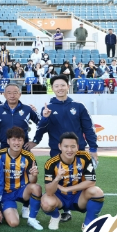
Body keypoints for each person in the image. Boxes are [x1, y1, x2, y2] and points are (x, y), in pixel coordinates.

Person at [31, 74, 98, 223]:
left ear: (68, 86)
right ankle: (62, 210)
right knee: (59, 179)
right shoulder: (48, 108)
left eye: (62, 85)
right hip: (57, 152)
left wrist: (93, 148)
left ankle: (77, 207)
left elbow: (88, 128)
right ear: (52, 88)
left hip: (78, 152)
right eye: (56, 86)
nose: (60, 88)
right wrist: (44, 118)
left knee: (79, 179)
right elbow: (41, 129)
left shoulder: (78, 106)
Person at [41, 132, 105, 231]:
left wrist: (67, 189)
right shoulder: (51, 163)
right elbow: (49, 192)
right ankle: (55, 216)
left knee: (97, 192)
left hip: (78, 197)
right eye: (66, 146)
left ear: (77, 147)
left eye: (72, 146)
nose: (69, 150)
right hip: (59, 197)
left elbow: (91, 182)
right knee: (46, 203)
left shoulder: (85, 157)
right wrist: (57, 178)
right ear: (60, 146)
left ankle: (88, 224)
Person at [0, 127, 43, 230]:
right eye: (14, 139)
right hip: (5, 193)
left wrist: (34, 175)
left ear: (23, 141)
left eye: (19, 140)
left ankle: (32, 218)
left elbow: (32, 182)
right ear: (8, 141)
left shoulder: (29, 156)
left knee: (36, 187)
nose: (17, 143)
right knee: (14, 223)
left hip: (21, 191)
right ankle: (2, 207)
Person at [0, 83, 39, 149]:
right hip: (4, 148)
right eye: (9, 93)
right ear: (4, 95)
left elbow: (42, 125)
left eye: (15, 93)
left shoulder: (28, 109)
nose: (12, 96)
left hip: (23, 148)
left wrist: (35, 141)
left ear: (20, 94)